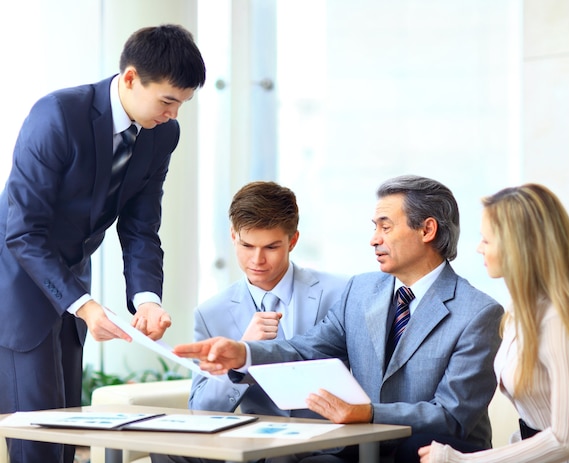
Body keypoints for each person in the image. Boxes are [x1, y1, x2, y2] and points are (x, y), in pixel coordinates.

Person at [174, 175, 505, 463]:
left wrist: (367, 413)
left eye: (385, 227)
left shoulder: (477, 312)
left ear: (427, 230)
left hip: (429, 453)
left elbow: (453, 416)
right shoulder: (361, 290)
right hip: (358, 449)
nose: (374, 239)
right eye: (374, 228)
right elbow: (307, 349)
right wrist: (245, 354)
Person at [0, 24, 206, 463]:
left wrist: (147, 299)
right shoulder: (56, 115)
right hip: (16, 286)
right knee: (36, 438)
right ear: (130, 78)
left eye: (182, 104)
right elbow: (23, 232)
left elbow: (140, 226)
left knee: (64, 432)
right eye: (167, 100)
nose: (173, 114)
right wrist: (86, 304)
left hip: (71, 287)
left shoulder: (162, 133)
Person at [151, 181, 350, 463]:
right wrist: (243, 351)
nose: (257, 260)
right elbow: (202, 409)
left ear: (292, 241)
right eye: (247, 245)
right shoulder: (212, 313)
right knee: (167, 452)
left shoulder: (342, 293)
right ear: (233, 236)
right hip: (254, 442)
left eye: (271, 247)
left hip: (323, 442)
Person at [418, 183, 569, 463]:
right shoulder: (520, 312)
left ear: (517, 246)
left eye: (486, 240)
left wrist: (461, 461)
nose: (478, 248)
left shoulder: (560, 319)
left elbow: (565, 440)